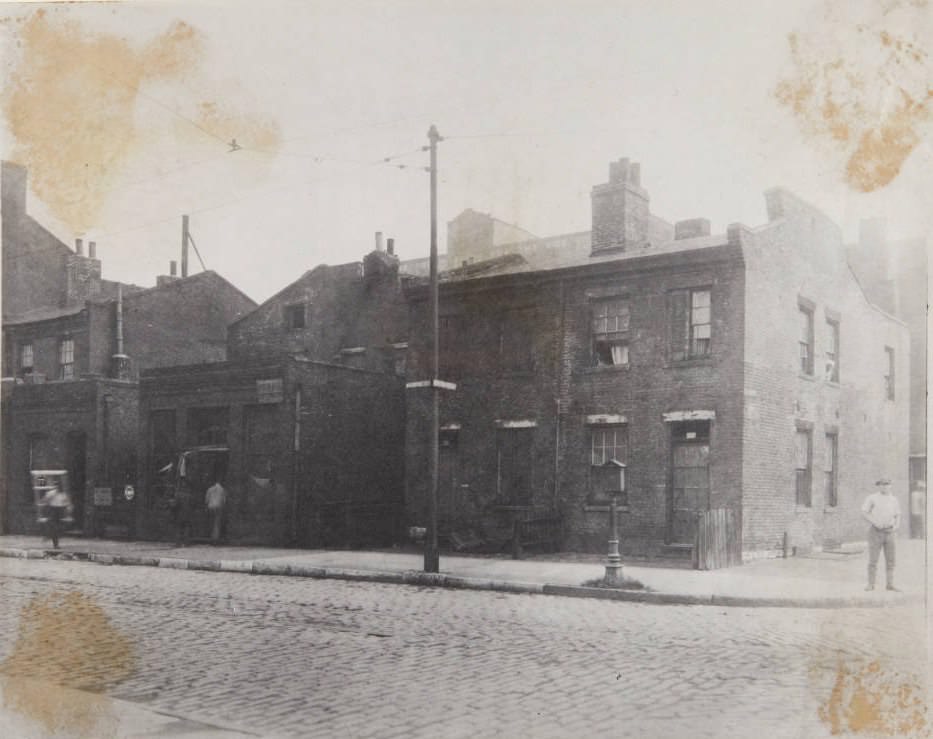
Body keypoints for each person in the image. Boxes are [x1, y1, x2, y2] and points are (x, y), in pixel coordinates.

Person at [861, 477, 901, 591]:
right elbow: (864, 512)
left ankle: (890, 584)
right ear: (878, 486)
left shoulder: (894, 499)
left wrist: (896, 526)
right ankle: (870, 584)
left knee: (891, 560)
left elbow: (898, 514)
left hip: (890, 532)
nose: (884, 486)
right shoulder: (872, 498)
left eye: (887, 484)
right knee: (873, 560)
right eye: (882, 484)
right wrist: (875, 522)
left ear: (891, 485)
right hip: (876, 532)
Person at [42, 482, 70, 550]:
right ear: (55, 486)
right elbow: (44, 500)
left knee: (58, 527)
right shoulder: (51, 493)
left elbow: (67, 503)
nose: (58, 488)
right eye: (57, 486)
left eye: (59, 486)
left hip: (60, 511)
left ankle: (49, 535)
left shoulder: (63, 494)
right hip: (53, 510)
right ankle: (55, 544)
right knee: (54, 527)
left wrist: (67, 509)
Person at [205, 479, 227, 544]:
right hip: (218, 507)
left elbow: (206, 500)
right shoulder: (222, 489)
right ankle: (215, 539)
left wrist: (207, 505)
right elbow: (224, 501)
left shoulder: (210, 489)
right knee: (216, 523)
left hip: (211, 506)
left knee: (211, 522)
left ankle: (210, 537)